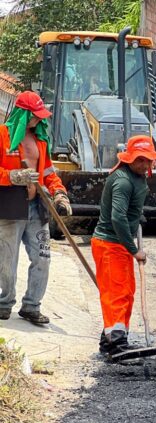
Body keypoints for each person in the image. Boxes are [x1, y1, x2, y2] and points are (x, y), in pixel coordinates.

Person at [0, 91, 70, 325]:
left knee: (42, 257)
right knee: (7, 260)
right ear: (23, 113)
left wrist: (59, 193)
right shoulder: (3, 136)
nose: (39, 120)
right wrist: (12, 176)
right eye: (35, 116)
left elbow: (48, 171)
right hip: (9, 207)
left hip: (36, 207)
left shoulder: (41, 139)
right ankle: (4, 302)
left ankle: (31, 306)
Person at [91, 135, 156, 355]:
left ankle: (111, 338)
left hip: (119, 243)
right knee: (116, 293)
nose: (143, 164)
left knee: (126, 291)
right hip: (110, 244)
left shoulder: (138, 177)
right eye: (139, 159)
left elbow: (129, 210)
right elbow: (117, 218)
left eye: (147, 160)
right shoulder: (122, 180)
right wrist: (135, 250)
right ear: (130, 158)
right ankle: (116, 341)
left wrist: (137, 215)